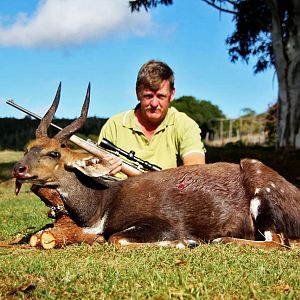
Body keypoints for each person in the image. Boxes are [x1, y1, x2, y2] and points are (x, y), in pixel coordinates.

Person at [98, 60, 206, 177]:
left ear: (172, 94)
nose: (154, 103)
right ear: (138, 93)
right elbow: (97, 171)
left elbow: (196, 171)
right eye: (148, 96)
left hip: (167, 194)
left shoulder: (185, 125)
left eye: (161, 96)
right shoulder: (114, 125)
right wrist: (104, 169)